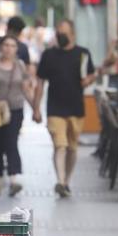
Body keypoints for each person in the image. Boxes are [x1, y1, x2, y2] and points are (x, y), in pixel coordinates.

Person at [33, 19, 96, 198]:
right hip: (55, 108)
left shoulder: (83, 54)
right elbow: (40, 82)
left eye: (64, 33)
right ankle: (60, 181)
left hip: (76, 108)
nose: (60, 36)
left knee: (72, 148)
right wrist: (36, 108)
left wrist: (89, 80)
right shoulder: (48, 55)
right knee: (60, 146)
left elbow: (91, 75)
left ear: (73, 34)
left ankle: (67, 180)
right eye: (58, 33)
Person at [0, 35, 34, 197]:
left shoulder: (20, 66)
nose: (9, 48)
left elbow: (26, 88)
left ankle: (13, 180)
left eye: (12, 46)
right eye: (6, 45)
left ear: (17, 49)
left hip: (15, 110)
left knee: (11, 142)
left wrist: (35, 108)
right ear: (0, 47)